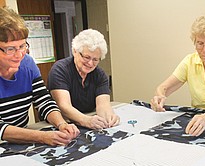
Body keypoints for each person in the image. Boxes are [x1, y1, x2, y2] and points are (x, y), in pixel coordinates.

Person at [0, 7, 79, 146]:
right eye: (10, 49)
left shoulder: (28, 63)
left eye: (22, 46)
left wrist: (61, 124)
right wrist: (41, 136)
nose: (19, 55)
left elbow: (43, 101)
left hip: (18, 143)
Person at [47, 29, 119, 130]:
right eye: (86, 57)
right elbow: (64, 106)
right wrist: (86, 120)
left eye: (95, 59)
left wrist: (109, 117)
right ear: (75, 51)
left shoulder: (100, 75)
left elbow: (103, 105)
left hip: (87, 120)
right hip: (62, 124)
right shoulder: (60, 70)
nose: (90, 63)